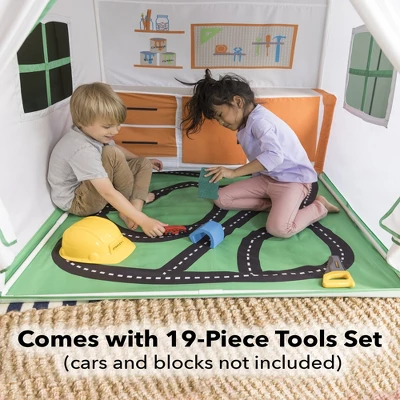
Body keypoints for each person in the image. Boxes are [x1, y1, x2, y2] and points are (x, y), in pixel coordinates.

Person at [179, 69, 339, 238]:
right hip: (267, 178)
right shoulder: (246, 121)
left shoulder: (260, 121)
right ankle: (278, 205)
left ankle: (319, 206)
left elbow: (274, 156)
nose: (220, 122)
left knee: (279, 229)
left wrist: (233, 172)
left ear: (238, 101)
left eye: (220, 115)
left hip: (293, 181)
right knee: (221, 199)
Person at [48, 82, 167, 237]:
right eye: (107, 127)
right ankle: (132, 208)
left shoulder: (93, 134)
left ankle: (134, 206)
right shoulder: (81, 149)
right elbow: (107, 191)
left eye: (118, 125)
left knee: (143, 162)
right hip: (79, 201)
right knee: (111, 153)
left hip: (92, 187)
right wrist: (144, 221)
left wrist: (141, 160)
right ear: (82, 122)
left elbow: (116, 148)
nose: (115, 131)